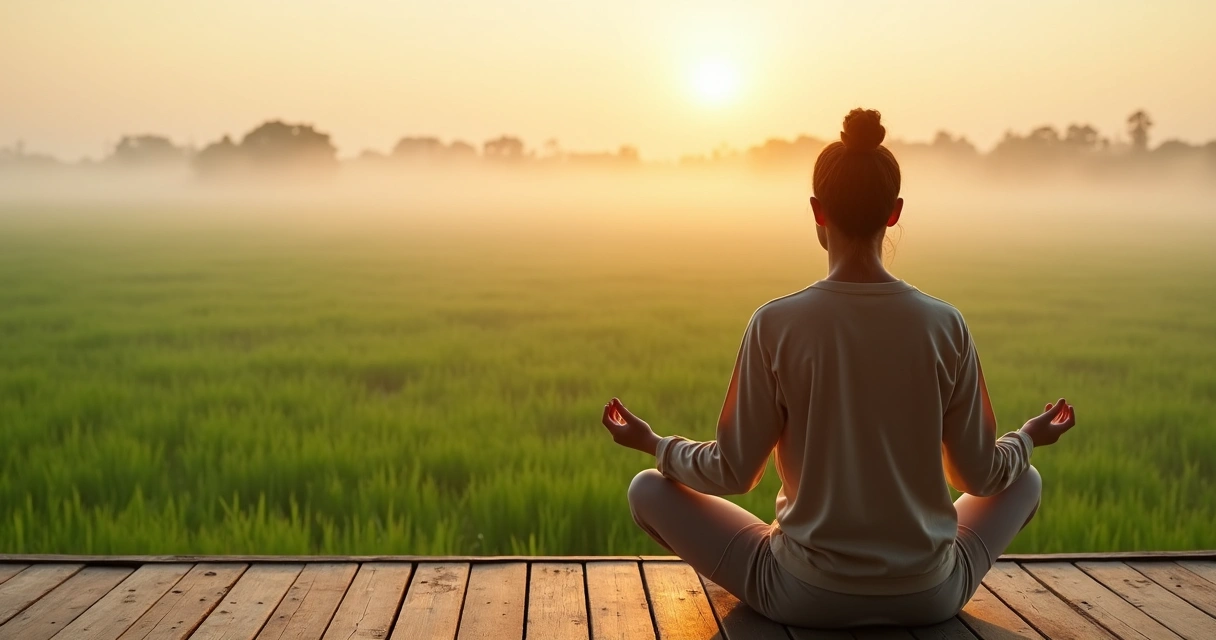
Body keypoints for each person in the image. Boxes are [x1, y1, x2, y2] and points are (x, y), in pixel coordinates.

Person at [598, 108, 1077, 628]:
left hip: (802, 595)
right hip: (930, 594)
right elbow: (977, 476)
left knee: (646, 489)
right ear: (894, 212)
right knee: (1024, 478)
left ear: (817, 211)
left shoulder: (775, 323)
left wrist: (654, 444)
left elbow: (734, 472)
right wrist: (1027, 438)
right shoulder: (946, 325)